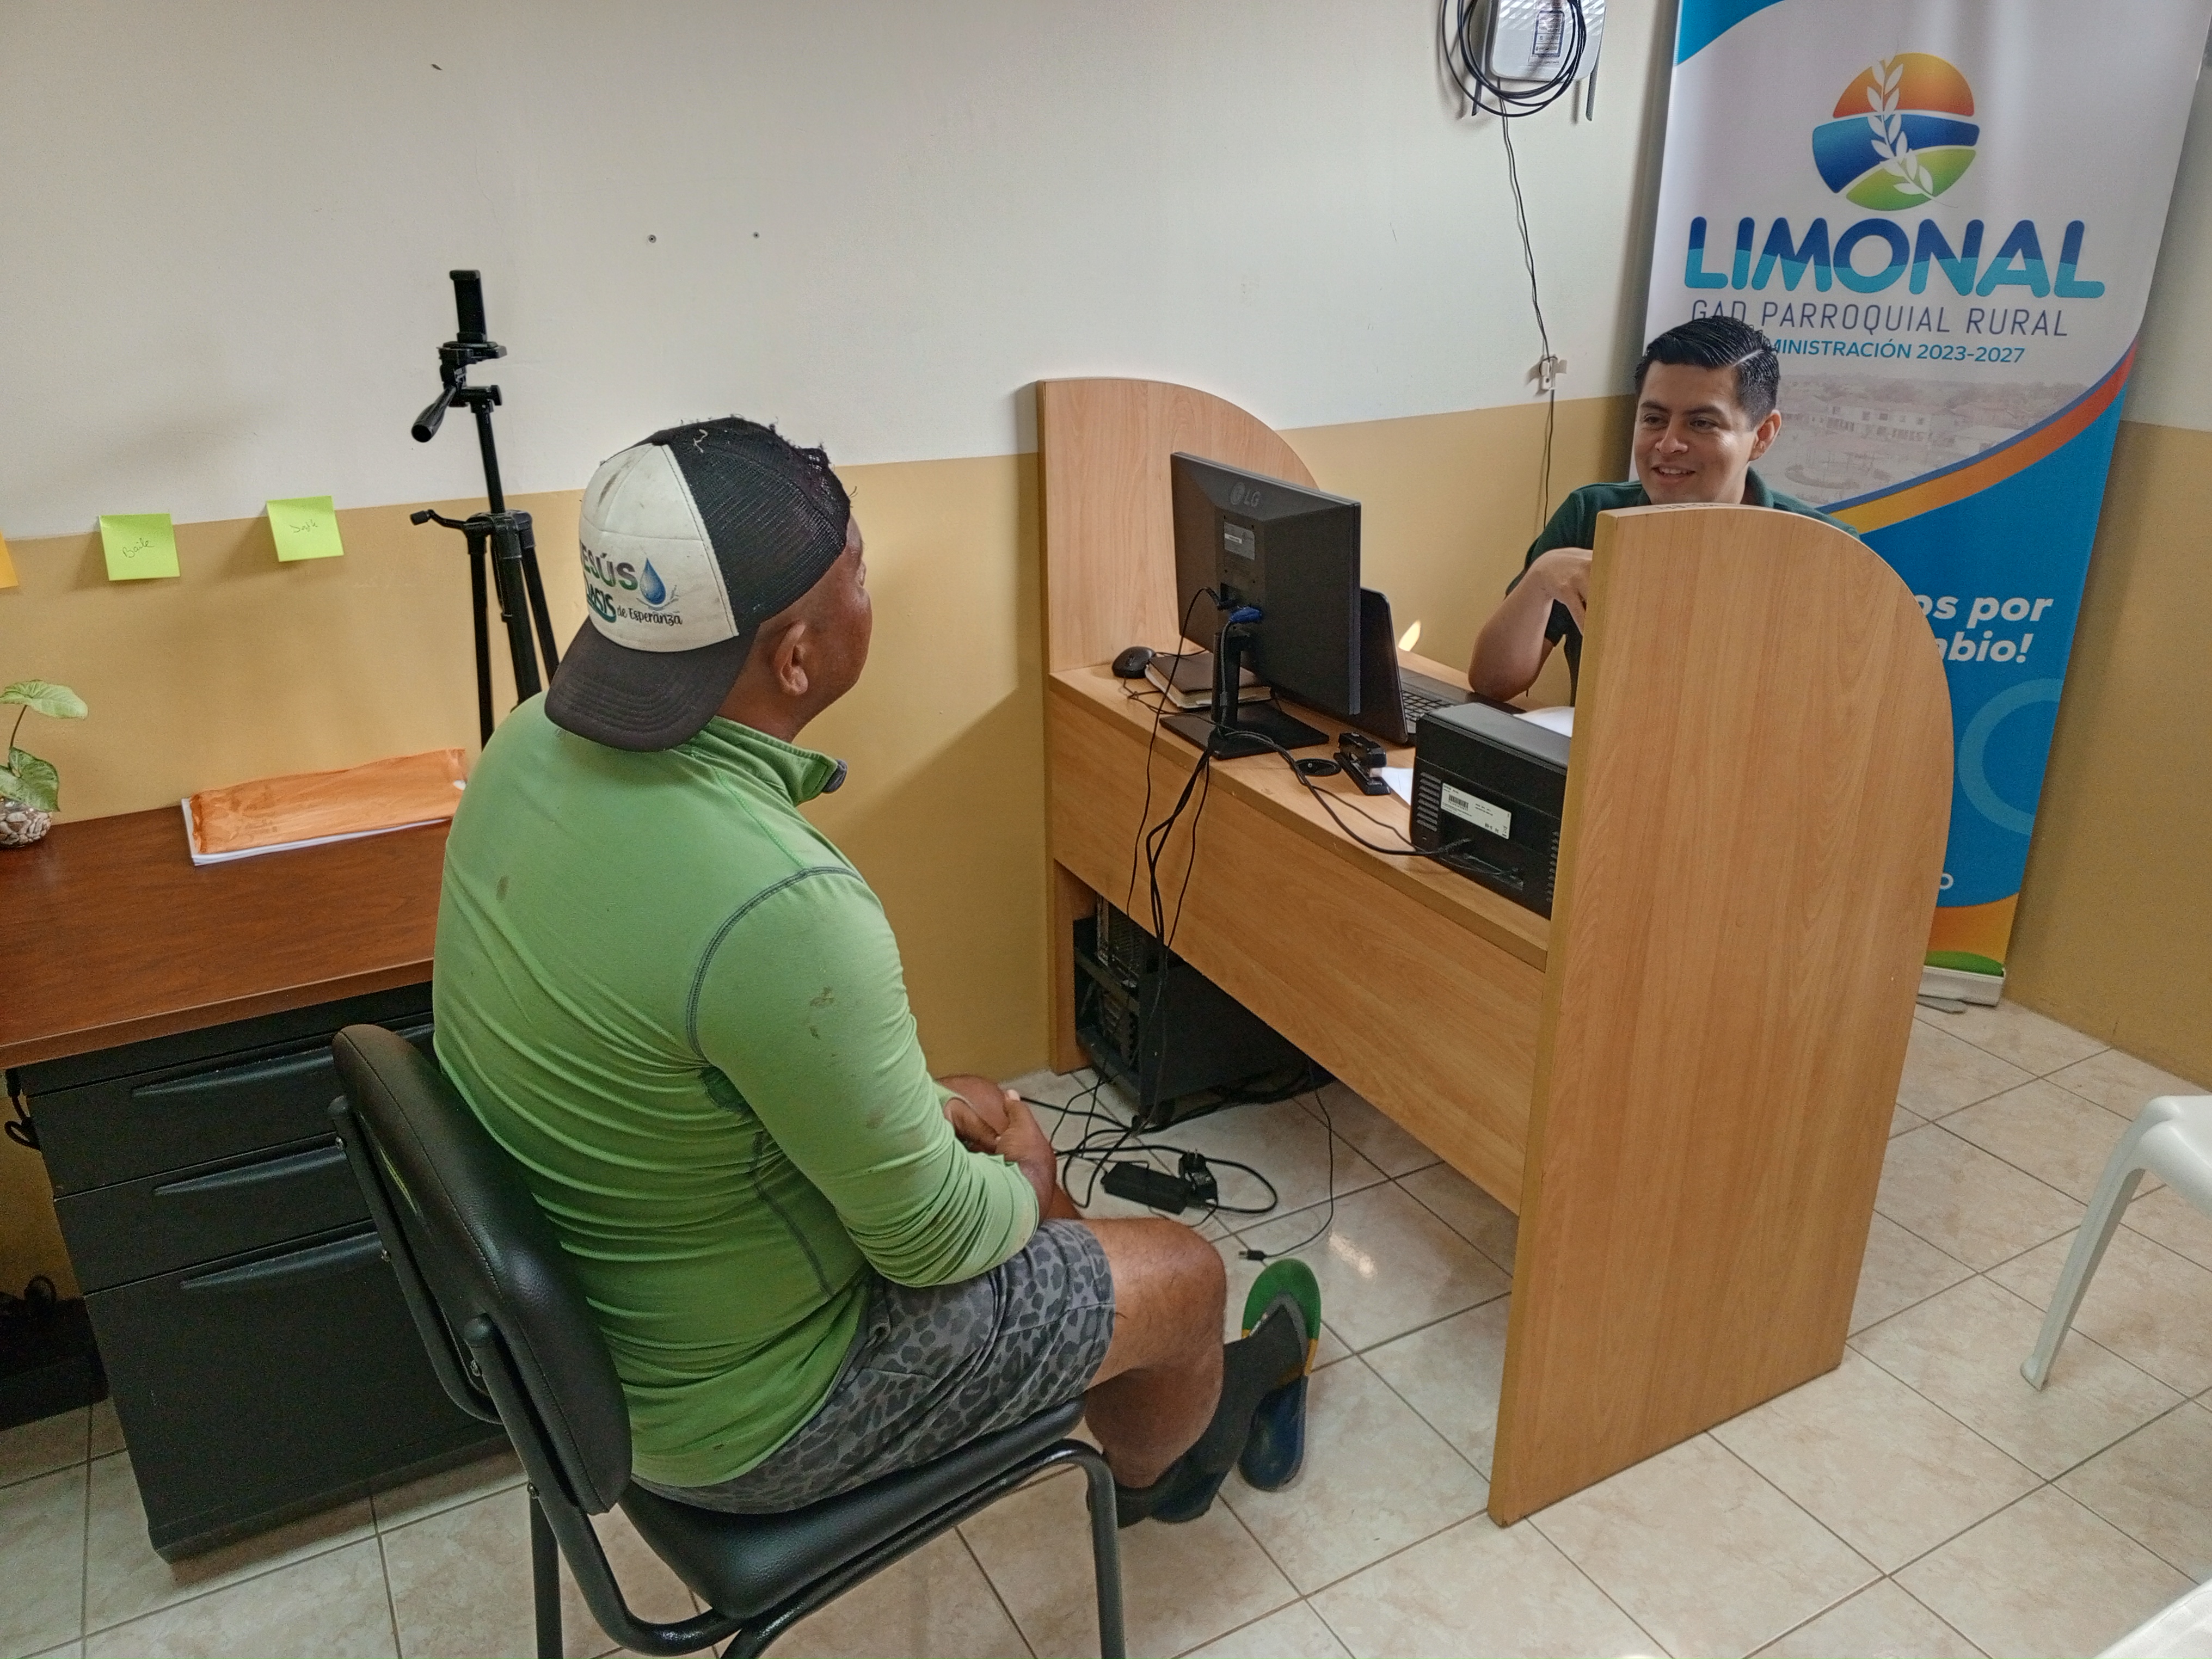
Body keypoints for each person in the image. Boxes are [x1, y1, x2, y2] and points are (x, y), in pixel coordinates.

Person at [432, 416, 1317, 1528]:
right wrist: (1029, 1179)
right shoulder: (778, 901)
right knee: (1179, 1270)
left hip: (601, 1355)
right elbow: (932, 1241)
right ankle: (1163, 1477)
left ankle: (1108, 1338)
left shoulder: (522, 746)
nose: (869, 589)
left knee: (970, 1106)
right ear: (796, 657)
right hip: (752, 1420)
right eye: (857, 572)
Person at [1468, 316, 1854, 702]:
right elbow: (1493, 684)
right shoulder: (1592, 513)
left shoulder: (1827, 548)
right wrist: (1540, 579)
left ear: (1762, 436)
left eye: (1702, 423)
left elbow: (1838, 710)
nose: (1668, 444)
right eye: (1654, 419)